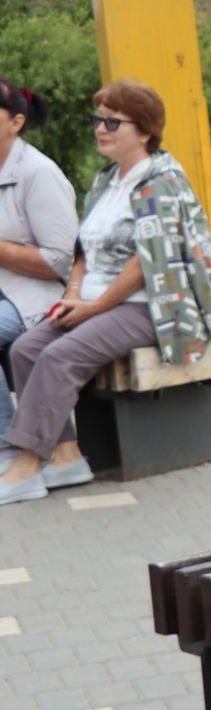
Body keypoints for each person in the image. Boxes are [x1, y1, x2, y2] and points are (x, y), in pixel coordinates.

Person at [0, 79, 211, 505]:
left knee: (58, 356)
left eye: (112, 121)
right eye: (97, 119)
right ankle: (67, 456)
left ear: (144, 131)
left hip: (147, 306)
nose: (100, 129)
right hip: (95, 301)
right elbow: (82, 248)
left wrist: (93, 308)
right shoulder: (108, 180)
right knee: (26, 348)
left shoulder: (160, 181)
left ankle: (27, 465)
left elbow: (146, 263)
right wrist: (73, 293)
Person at [0, 79, 78, 447]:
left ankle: (7, 451)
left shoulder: (38, 173)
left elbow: (61, 260)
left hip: (39, 298)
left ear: (15, 122)